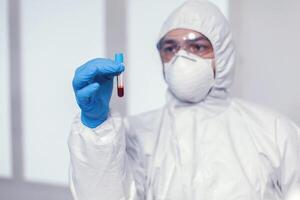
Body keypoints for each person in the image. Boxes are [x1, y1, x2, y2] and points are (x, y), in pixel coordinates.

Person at [68, 1, 300, 200]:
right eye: (170, 48)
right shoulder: (137, 133)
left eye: (197, 47)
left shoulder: (273, 130)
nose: (181, 58)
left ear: (223, 54)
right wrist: (97, 129)